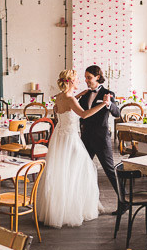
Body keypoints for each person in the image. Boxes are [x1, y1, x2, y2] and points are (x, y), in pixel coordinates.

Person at [38, 69, 111, 228]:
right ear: (70, 82)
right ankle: (73, 208)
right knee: (82, 169)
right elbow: (84, 114)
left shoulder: (59, 97)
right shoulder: (71, 99)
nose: (80, 81)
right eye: (77, 79)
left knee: (61, 171)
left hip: (58, 137)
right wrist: (104, 104)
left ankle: (59, 208)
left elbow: (57, 110)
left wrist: (78, 95)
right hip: (70, 138)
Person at [77, 65, 121, 195]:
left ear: (97, 77)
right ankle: (82, 199)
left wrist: (109, 104)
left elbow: (117, 113)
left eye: (89, 77)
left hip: (101, 138)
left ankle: (123, 200)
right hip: (85, 138)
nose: (86, 80)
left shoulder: (108, 93)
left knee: (109, 171)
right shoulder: (85, 95)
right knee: (80, 168)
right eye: (85, 77)